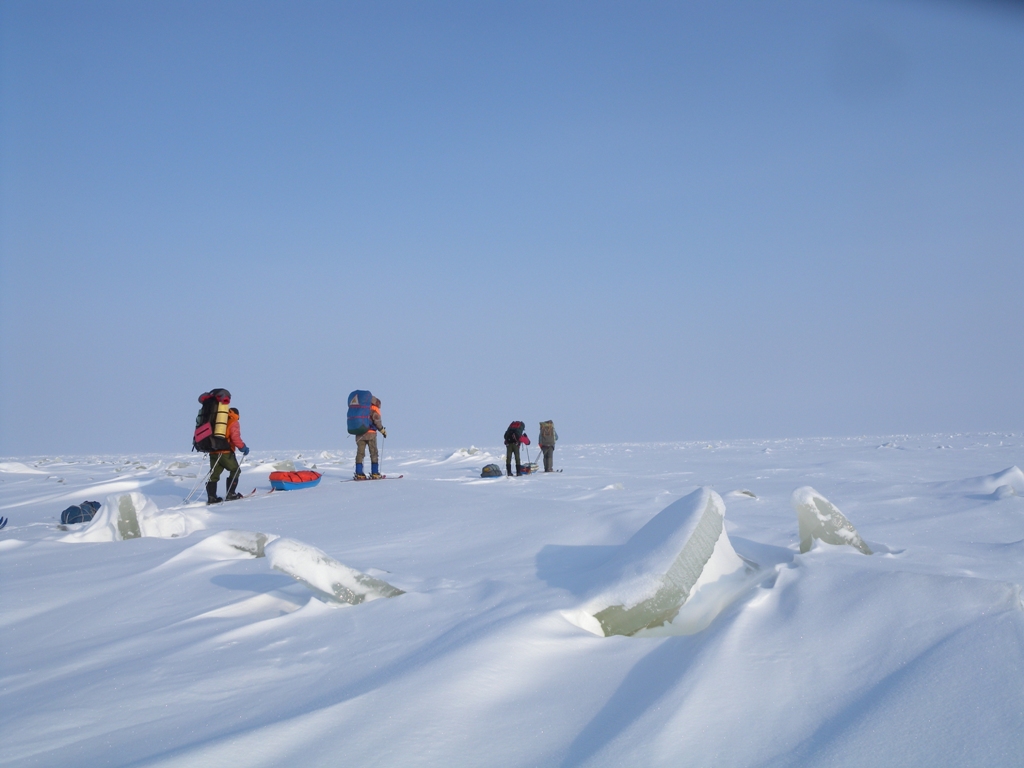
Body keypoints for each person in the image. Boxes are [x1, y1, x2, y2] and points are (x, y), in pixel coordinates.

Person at [208, 407, 249, 503]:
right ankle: (231, 494)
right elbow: (235, 437)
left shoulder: (217, 420)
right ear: (237, 414)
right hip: (225, 452)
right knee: (235, 470)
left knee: (214, 474)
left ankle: (212, 497)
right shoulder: (233, 421)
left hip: (213, 451)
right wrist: (243, 448)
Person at [355, 396, 386, 480]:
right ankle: (375, 473)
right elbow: (377, 422)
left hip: (359, 434)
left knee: (360, 454)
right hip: (371, 434)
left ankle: (359, 474)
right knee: (374, 453)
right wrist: (383, 431)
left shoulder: (359, 408)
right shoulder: (374, 408)